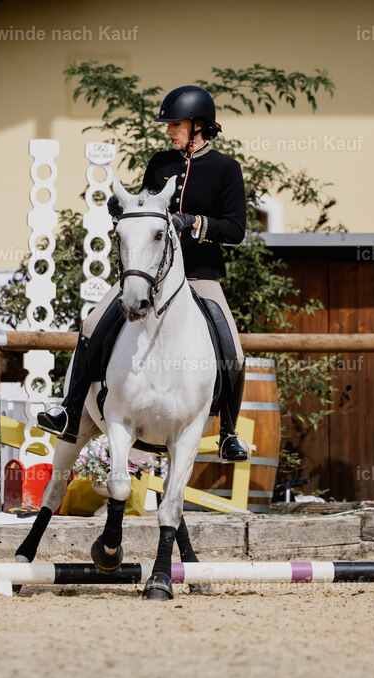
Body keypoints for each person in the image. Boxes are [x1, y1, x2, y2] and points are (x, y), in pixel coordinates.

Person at [37, 84, 249, 461]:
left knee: (233, 346)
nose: (168, 131)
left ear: (198, 126)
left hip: (200, 275)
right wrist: (125, 208)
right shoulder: (160, 164)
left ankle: (229, 433)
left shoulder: (226, 170)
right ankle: (70, 408)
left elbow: (235, 230)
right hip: (149, 273)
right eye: (168, 125)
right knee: (91, 324)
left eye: (175, 124)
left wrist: (193, 222)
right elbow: (146, 206)